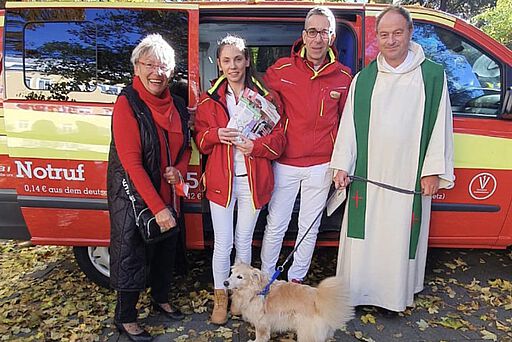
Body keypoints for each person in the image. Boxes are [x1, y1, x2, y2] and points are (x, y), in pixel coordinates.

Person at [330, 5, 455, 312]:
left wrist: (433, 171)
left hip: (408, 175)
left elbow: (441, 125)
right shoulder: (364, 79)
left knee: (399, 236)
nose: (390, 40)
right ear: (377, 37)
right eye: (384, 34)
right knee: (365, 236)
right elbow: (349, 127)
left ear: (409, 33)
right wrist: (342, 166)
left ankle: (393, 297)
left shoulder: (432, 76)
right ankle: (360, 294)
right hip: (368, 177)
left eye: (397, 33)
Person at [194, 34, 286, 325]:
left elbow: (280, 140)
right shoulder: (209, 101)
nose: (232, 66)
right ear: (219, 64)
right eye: (226, 60)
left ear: (247, 61)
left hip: (253, 181)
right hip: (222, 181)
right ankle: (221, 297)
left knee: (244, 242)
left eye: (238, 59)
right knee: (223, 244)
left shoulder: (266, 97)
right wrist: (215, 135)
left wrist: (254, 146)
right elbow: (200, 139)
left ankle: (241, 297)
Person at [107, 33, 191, 341]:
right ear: (137, 67)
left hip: (167, 191)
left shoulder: (178, 104)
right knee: (132, 251)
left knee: (165, 248)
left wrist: (179, 171)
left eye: (164, 65)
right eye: (150, 64)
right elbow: (132, 163)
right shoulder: (127, 103)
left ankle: (160, 298)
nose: (158, 72)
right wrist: (157, 209)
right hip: (133, 194)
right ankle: (125, 317)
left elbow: (185, 149)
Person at [260, 6, 352, 283]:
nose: (317, 39)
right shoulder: (281, 70)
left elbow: (349, 126)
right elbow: (256, 104)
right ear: (304, 35)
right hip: (286, 161)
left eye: (324, 32)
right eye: (312, 32)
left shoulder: (345, 77)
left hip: (322, 165)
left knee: (308, 228)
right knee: (276, 224)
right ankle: (266, 279)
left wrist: (342, 165)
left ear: (332, 37)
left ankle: (296, 280)